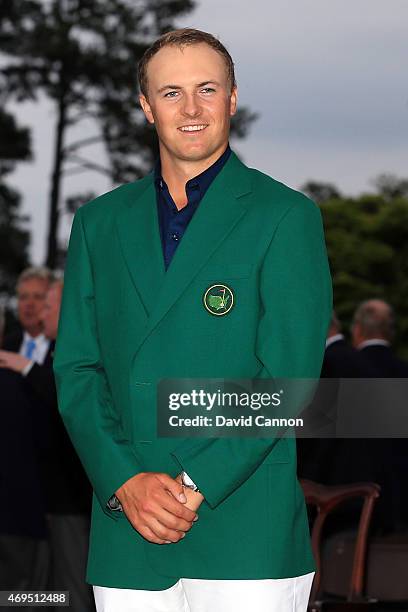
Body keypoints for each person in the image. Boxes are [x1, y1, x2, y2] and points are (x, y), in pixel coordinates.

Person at [53, 28, 332, 612]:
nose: (192, 108)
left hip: (244, 528)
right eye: (172, 92)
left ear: (232, 99)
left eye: (207, 88)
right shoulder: (98, 223)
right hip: (130, 528)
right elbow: (78, 370)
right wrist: (126, 481)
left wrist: (193, 482)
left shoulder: (286, 216)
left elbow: (289, 381)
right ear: (146, 107)